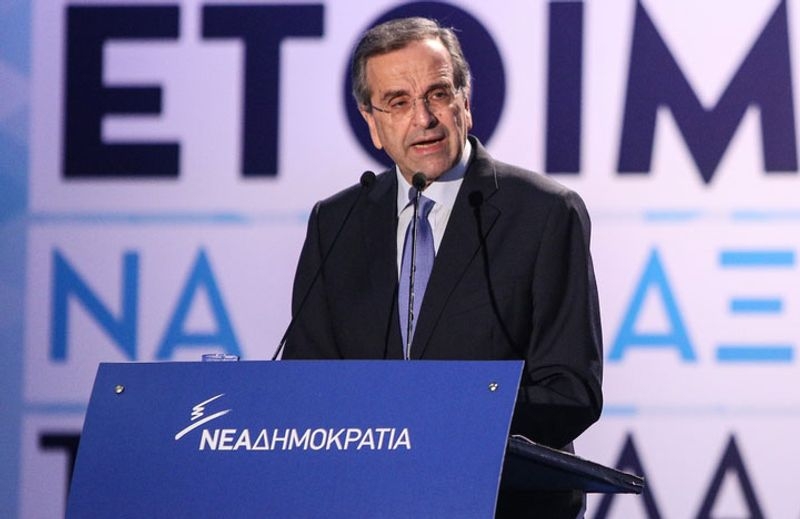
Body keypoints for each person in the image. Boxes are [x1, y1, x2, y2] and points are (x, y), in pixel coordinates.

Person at [283, 16, 603, 518]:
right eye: (398, 102)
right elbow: (306, 384)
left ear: (464, 102)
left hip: (503, 504)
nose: (424, 118)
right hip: (371, 504)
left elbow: (571, 390)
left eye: (437, 94)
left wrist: (442, 426)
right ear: (372, 122)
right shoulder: (336, 223)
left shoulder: (543, 213)